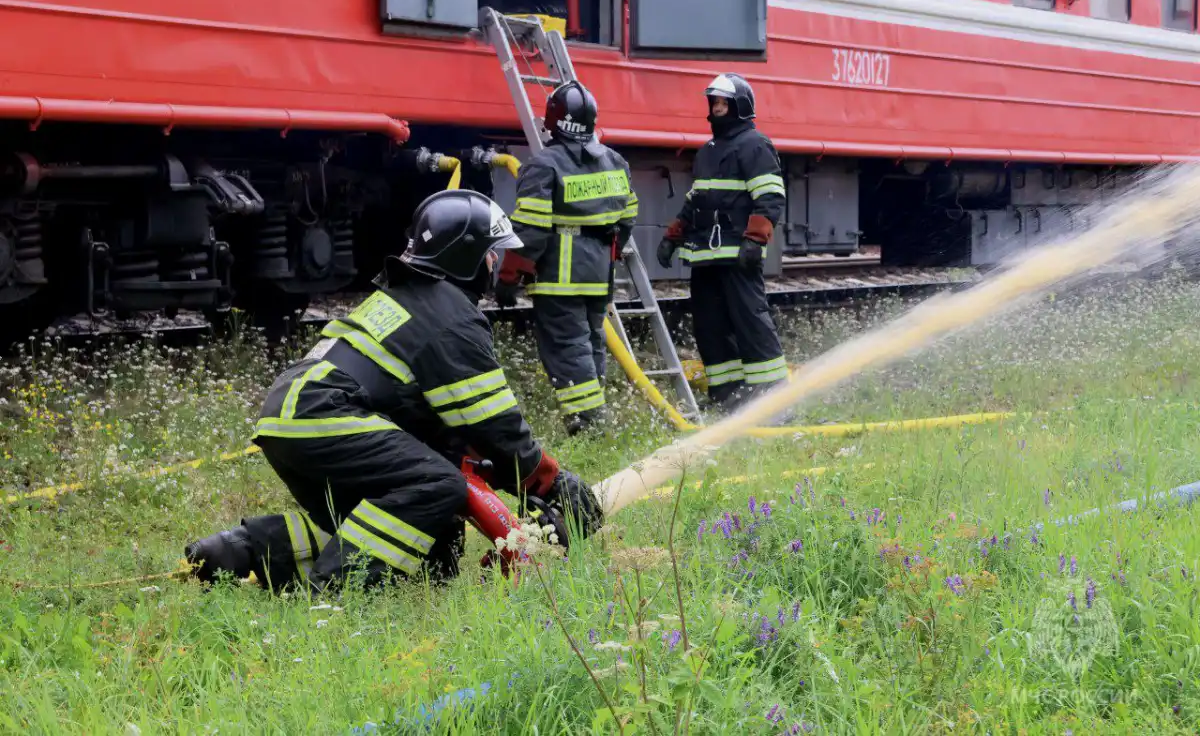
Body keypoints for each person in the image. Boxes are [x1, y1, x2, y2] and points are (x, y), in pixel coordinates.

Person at [183, 189, 603, 593]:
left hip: (293, 415)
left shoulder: (411, 298)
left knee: (408, 534)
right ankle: (332, 592)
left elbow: (452, 435)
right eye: (492, 251)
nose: (496, 262)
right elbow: (493, 426)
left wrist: (513, 499)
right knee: (438, 485)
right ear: (468, 257)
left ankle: (242, 549)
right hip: (324, 414)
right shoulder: (451, 316)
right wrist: (550, 482)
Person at [494, 80, 638, 436]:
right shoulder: (615, 161)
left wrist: (510, 276)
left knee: (567, 348)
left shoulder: (544, 165)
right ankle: (593, 414)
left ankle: (589, 425)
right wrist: (605, 254)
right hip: (599, 274)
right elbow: (628, 217)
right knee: (591, 343)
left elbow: (530, 229)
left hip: (559, 278)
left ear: (554, 120)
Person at [655, 72, 789, 413]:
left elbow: (770, 197)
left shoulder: (755, 145)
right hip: (704, 256)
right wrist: (673, 236)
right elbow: (696, 200)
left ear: (739, 106)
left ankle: (773, 398)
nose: (716, 108)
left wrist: (754, 239)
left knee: (750, 322)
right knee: (710, 326)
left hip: (736, 254)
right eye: (714, 102)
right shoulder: (708, 151)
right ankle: (727, 396)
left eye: (723, 103)